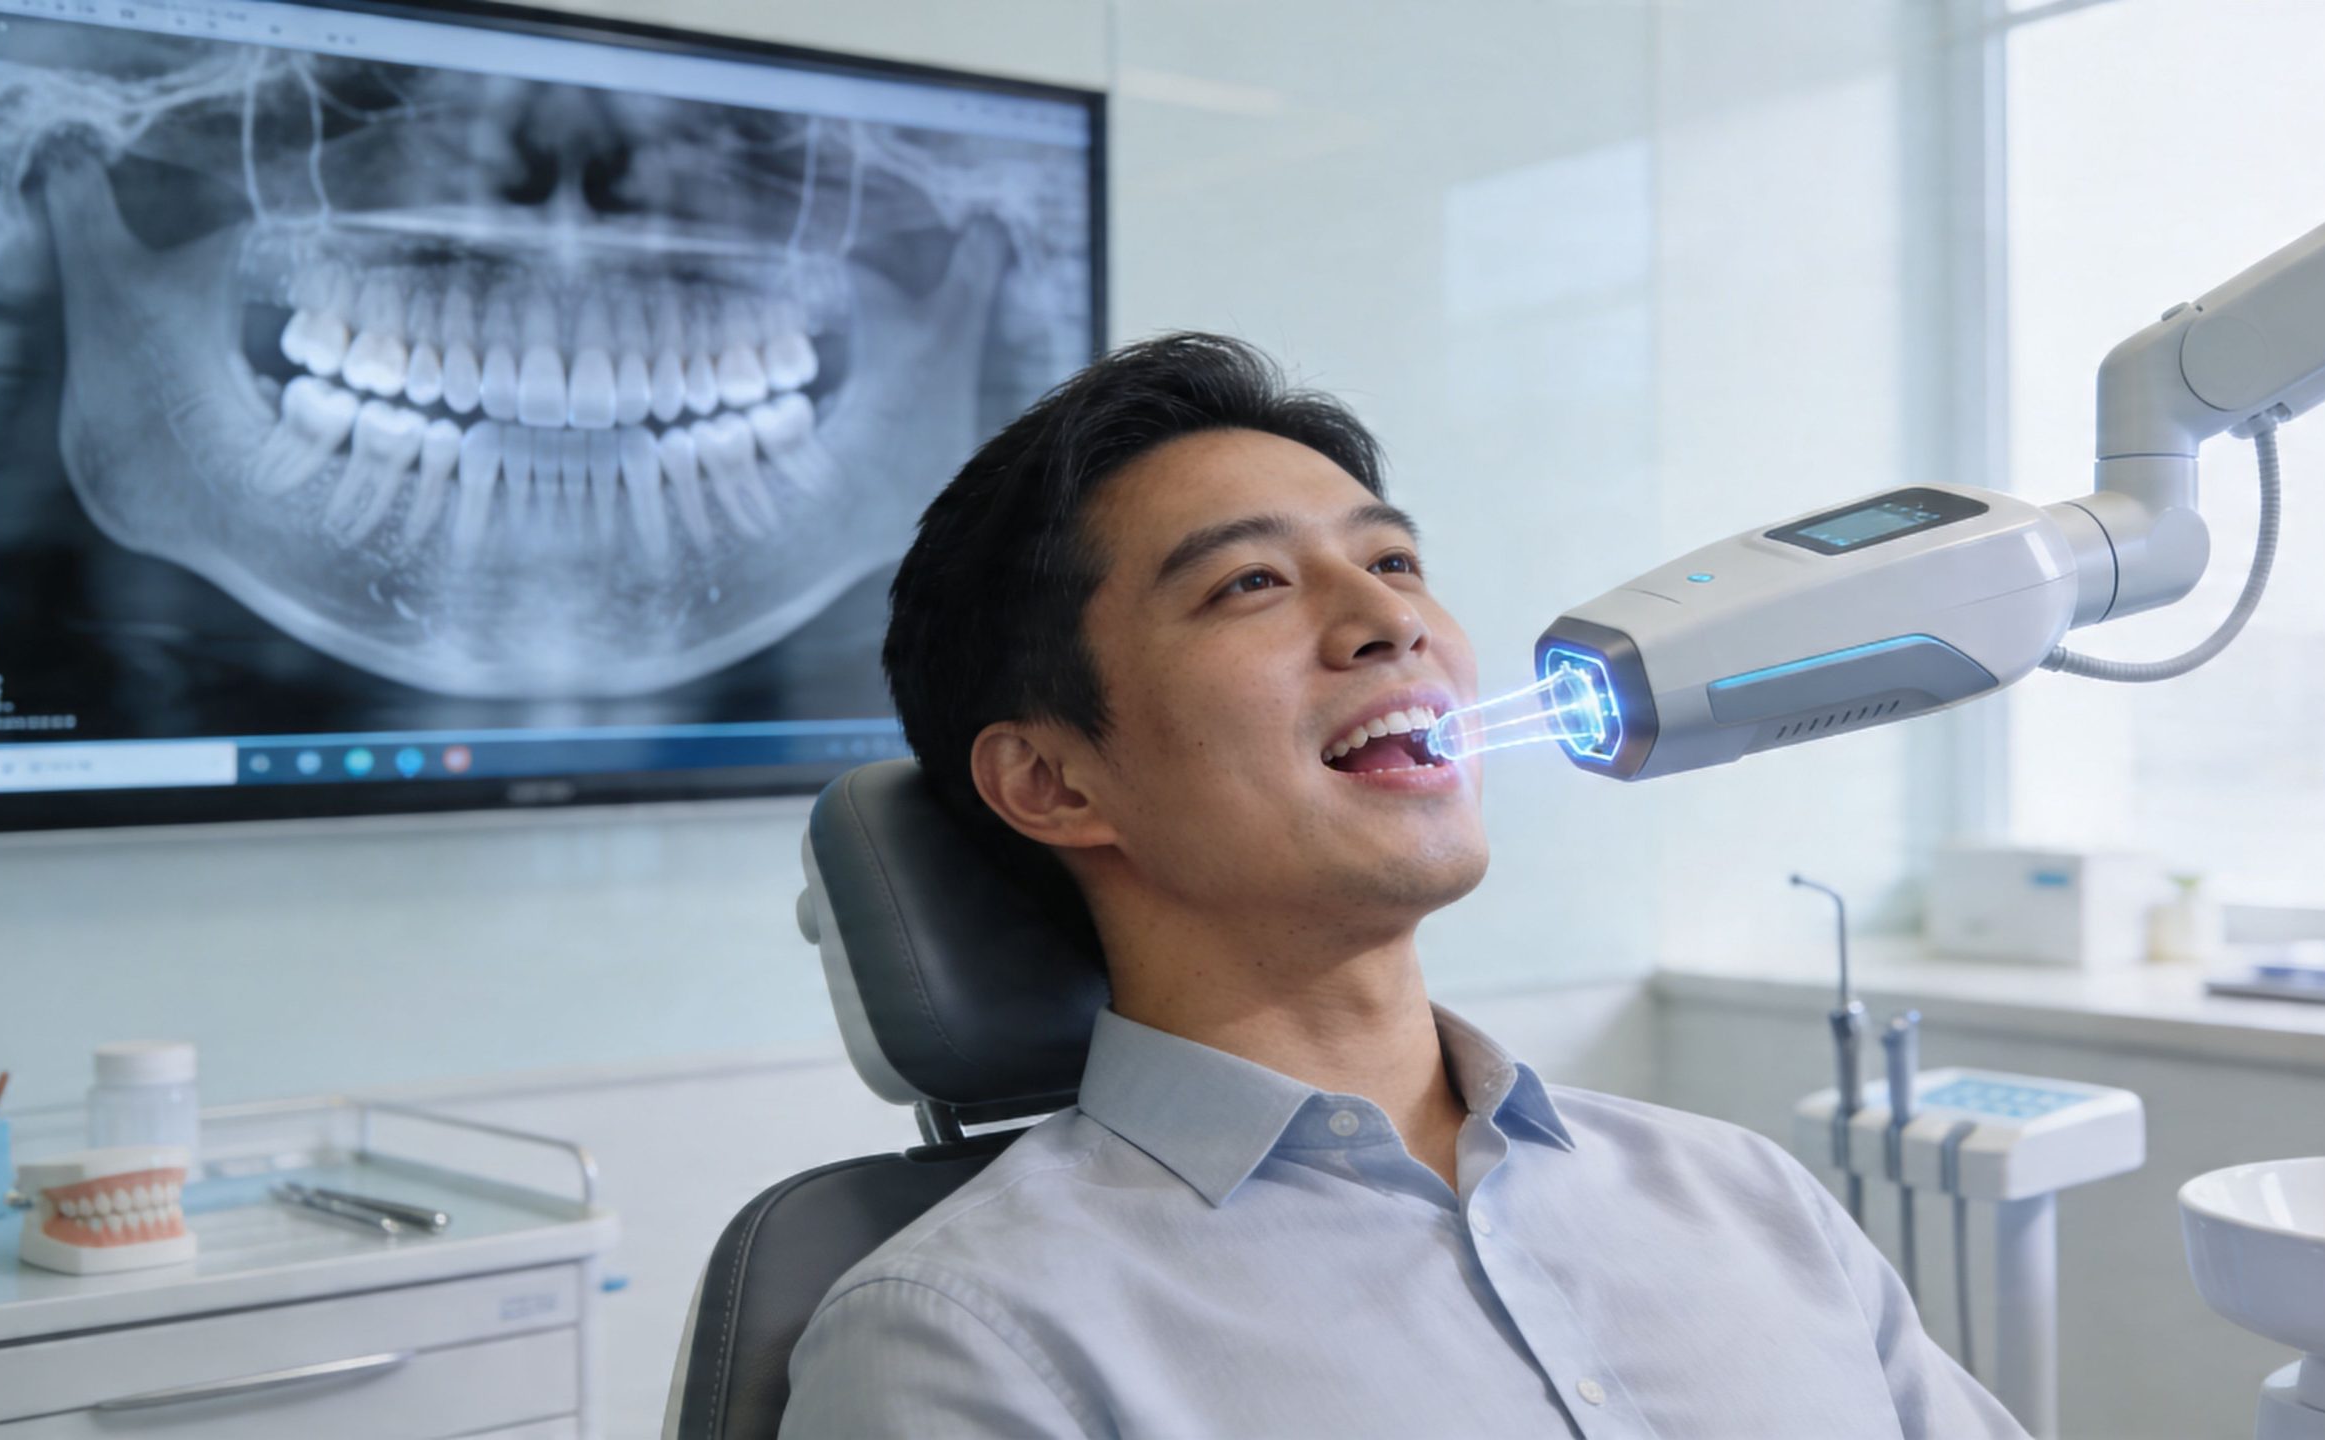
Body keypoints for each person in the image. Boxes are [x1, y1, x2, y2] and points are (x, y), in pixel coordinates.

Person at [779, 333, 2024, 1438]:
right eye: (1248, 583)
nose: (1389, 618)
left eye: (1396, 560)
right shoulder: (971, 1337)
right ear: (1053, 784)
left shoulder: (1747, 1199)